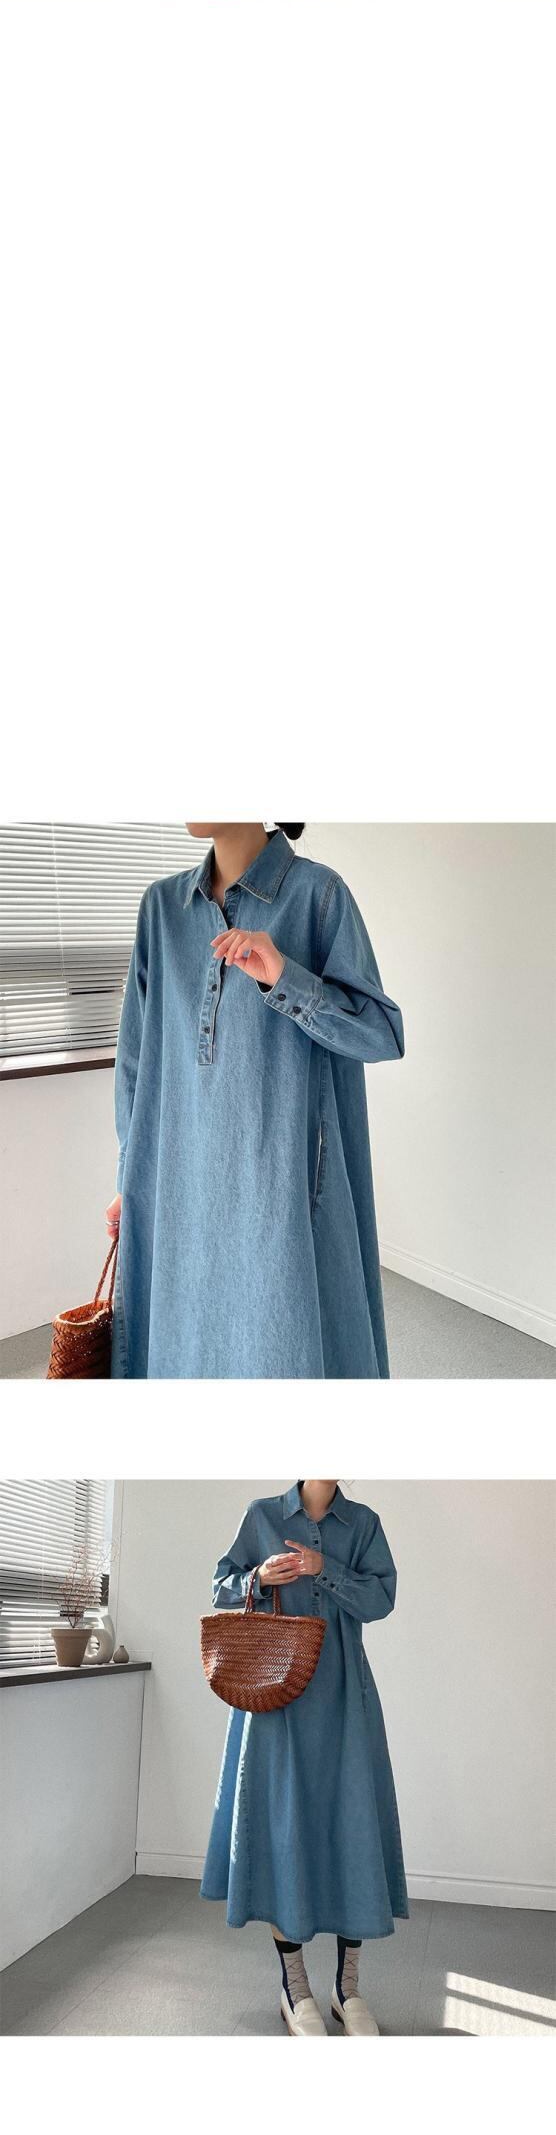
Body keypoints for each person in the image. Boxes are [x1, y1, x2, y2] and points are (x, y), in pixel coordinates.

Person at [107, 823, 404, 1378]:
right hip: (181, 1175)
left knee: (281, 1334)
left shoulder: (318, 896)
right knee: (187, 1331)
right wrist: (130, 1174)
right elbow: (136, 1059)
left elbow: (381, 1035)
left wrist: (285, 976)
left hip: (279, 1180)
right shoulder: (162, 908)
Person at [202, 1477, 408, 2032]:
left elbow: (380, 1601)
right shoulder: (262, 1514)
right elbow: (221, 1586)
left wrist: (325, 1569)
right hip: (275, 1702)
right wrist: (257, 1578)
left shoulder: (362, 1524)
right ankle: (295, 1989)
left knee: (352, 1830)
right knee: (281, 1831)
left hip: (344, 1700)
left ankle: (348, 1990)